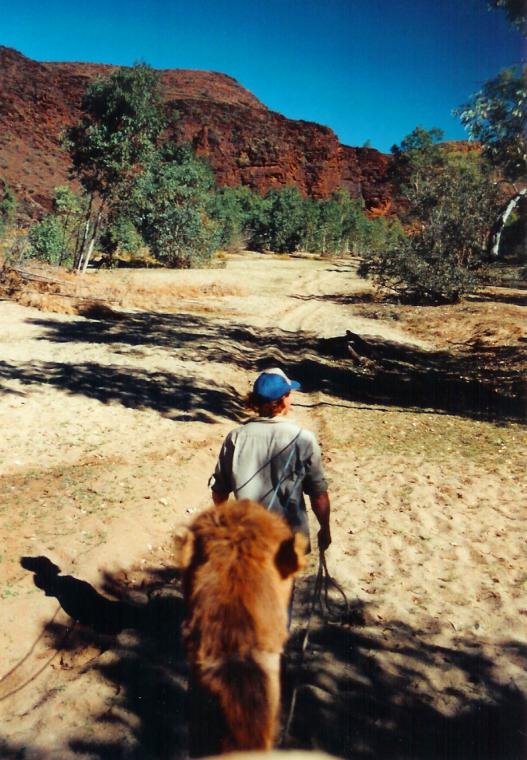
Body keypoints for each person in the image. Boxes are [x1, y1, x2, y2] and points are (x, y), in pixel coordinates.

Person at [209, 367, 331, 553]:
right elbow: (318, 494)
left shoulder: (235, 438)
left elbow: (219, 491)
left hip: (248, 538)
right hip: (288, 538)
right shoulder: (304, 439)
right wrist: (324, 528)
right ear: (282, 401)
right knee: (284, 582)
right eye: (289, 395)